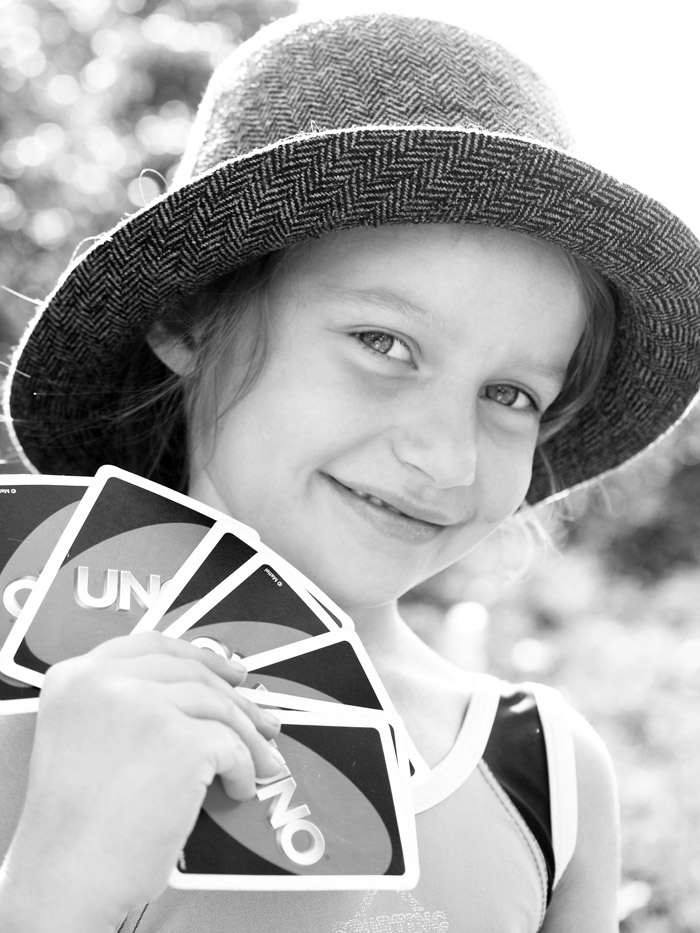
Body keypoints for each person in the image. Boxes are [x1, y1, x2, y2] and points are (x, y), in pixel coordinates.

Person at [1, 10, 699, 933]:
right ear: (186, 315)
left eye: (510, 394)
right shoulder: (25, 718)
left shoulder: (547, 774)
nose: (447, 456)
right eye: (383, 342)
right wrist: (54, 887)